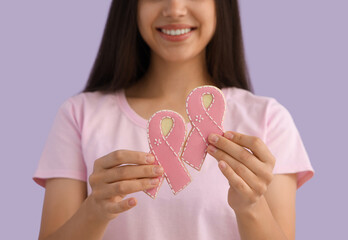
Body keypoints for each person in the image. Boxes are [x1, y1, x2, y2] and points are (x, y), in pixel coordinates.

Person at [33, 0, 315, 239]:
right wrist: (95, 210)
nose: (175, 9)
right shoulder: (79, 115)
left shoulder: (268, 119)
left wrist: (250, 205)